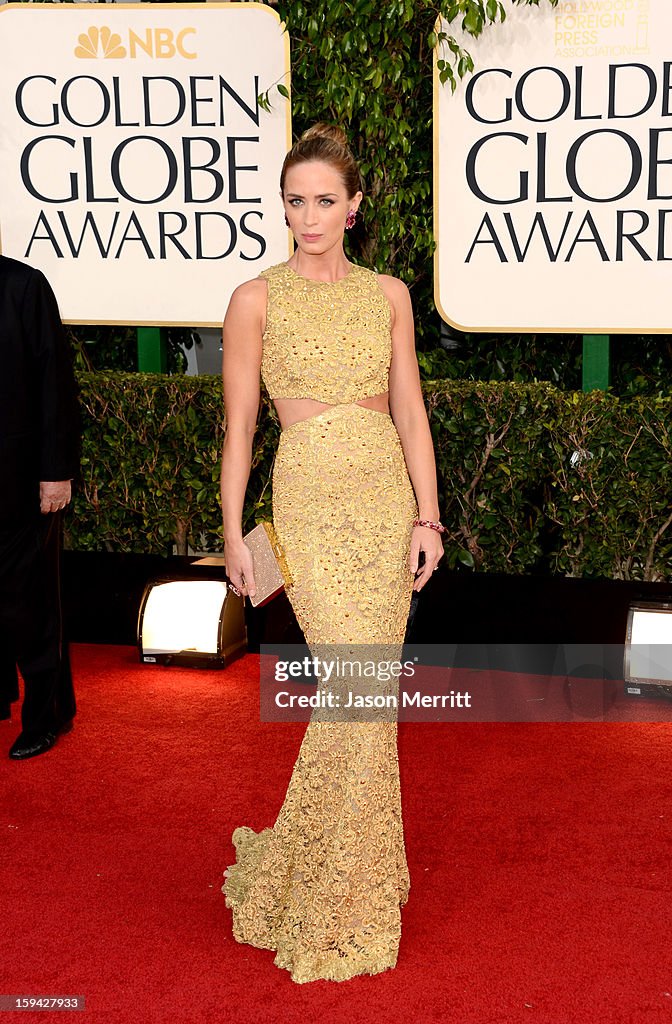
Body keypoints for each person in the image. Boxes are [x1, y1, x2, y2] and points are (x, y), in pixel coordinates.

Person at [220, 124, 444, 983]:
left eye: (323, 201)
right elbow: (239, 427)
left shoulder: (388, 294)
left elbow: (412, 414)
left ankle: (352, 875)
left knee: (366, 693)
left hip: (385, 497)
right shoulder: (255, 299)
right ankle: (331, 874)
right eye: (293, 201)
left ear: (353, 208)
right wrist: (236, 530)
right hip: (309, 500)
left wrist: (429, 518)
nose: (307, 216)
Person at [0, 255, 80, 760]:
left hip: (18, 479)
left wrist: (56, 471)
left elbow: (56, 380)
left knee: (28, 601)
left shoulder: (23, 285)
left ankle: (46, 714)